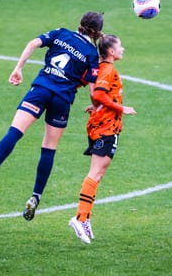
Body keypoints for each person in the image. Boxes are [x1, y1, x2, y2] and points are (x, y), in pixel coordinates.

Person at [0, 11, 104, 222]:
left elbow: (33, 43)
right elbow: (92, 87)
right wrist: (96, 106)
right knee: (48, 149)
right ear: (98, 33)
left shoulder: (61, 33)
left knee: (14, 132)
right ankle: (35, 196)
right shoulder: (92, 54)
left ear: (79, 24)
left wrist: (18, 68)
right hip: (61, 100)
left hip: (40, 89)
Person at [69, 34, 136, 244]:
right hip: (106, 127)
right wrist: (121, 108)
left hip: (103, 124)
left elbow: (99, 96)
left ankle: (86, 218)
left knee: (97, 175)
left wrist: (98, 107)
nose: (123, 49)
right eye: (120, 46)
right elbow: (99, 94)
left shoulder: (103, 68)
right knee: (95, 174)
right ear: (111, 52)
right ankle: (79, 218)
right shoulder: (108, 69)